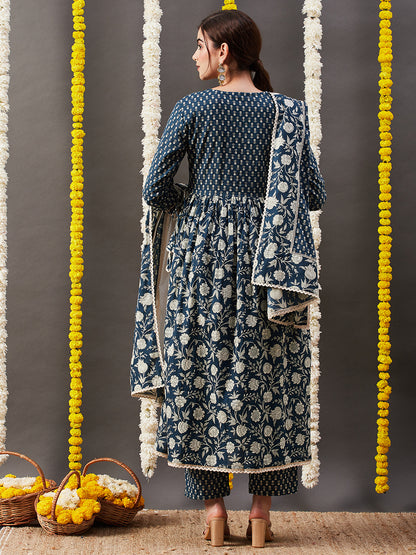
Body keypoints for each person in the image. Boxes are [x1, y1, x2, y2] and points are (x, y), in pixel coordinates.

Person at [130, 9, 326, 548]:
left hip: (202, 258)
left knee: (201, 368)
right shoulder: (288, 112)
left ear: (223, 52)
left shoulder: (193, 107)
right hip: (271, 262)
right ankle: (261, 514)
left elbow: (155, 188)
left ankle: (214, 511)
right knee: (271, 376)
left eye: (200, 45)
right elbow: (313, 194)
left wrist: (198, 205)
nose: (194, 54)